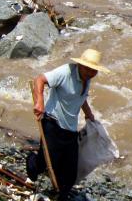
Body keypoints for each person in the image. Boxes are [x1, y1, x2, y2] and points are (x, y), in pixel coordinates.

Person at [26, 49, 111, 200]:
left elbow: (81, 96)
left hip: (70, 129)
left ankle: (62, 195)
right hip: (52, 123)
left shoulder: (87, 79)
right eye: (87, 68)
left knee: (70, 171)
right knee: (42, 164)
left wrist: (88, 113)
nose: (90, 72)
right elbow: (39, 79)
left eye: (94, 70)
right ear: (80, 65)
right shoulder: (65, 72)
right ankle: (31, 160)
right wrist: (39, 101)